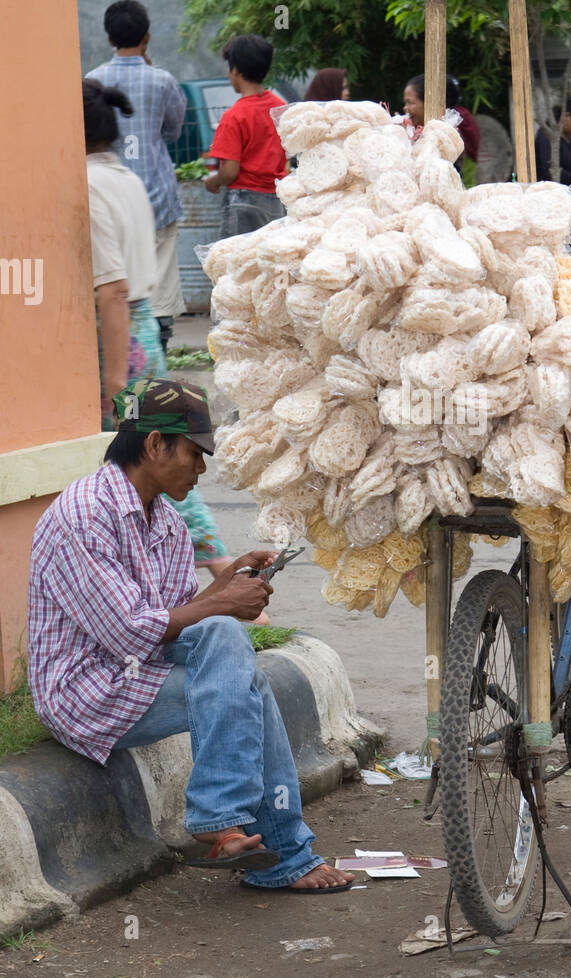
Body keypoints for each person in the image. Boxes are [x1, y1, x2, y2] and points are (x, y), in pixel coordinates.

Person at [27, 378, 353, 894]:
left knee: (232, 652)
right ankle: (257, 839)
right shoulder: (83, 516)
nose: (202, 470)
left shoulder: (168, 523)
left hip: (136, 672)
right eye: (195, 455)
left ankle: (238, 831)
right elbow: (129, 633)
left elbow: (181, 620)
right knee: (244, 673)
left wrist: (228, 585)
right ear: (155, 444)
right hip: (85, 691)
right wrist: (221, 602)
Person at [84, 77, 235, 580]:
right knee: (165, 455)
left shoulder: (85, 184)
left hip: (118, 338)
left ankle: (216, 574)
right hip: (142, 330)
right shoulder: (125, 177)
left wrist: (113, 384)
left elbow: (109, 288)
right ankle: (218, 567)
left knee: (142, 460)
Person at [89, 0, 187, 355]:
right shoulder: (163, 80)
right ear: (146, 38)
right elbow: (174, 130)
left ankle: (115, 350)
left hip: (105, 195)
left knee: (111, 273)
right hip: (156, 194)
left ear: (108, 37)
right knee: (158, 280)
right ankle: (157, 351)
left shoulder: (94, 80)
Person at [205, 34, 288, 238]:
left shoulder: (233, 116)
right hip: (277, 202)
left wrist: (214, 182)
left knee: (238, 266)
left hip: (242, 203)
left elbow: (230, 171)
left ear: (236, 71)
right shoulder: (280, 108)